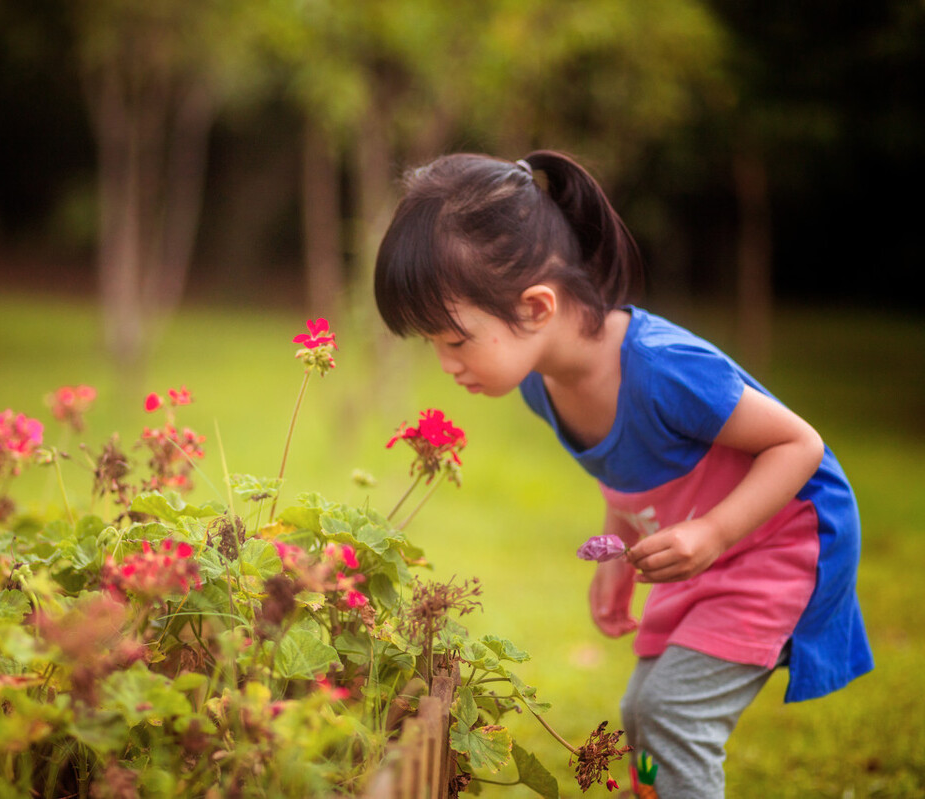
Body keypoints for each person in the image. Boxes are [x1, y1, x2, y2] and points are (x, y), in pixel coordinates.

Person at [372, 151, 873, 798]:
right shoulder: (542, 385)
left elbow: (800, 444)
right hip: (705, 548)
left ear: (535, 306)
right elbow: (631, 468)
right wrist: (616, 550)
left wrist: (716, 532)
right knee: (643, 708)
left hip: (782, 541)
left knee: (672, 712)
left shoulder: (664, 368)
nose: (445, 362)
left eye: (455, 338)